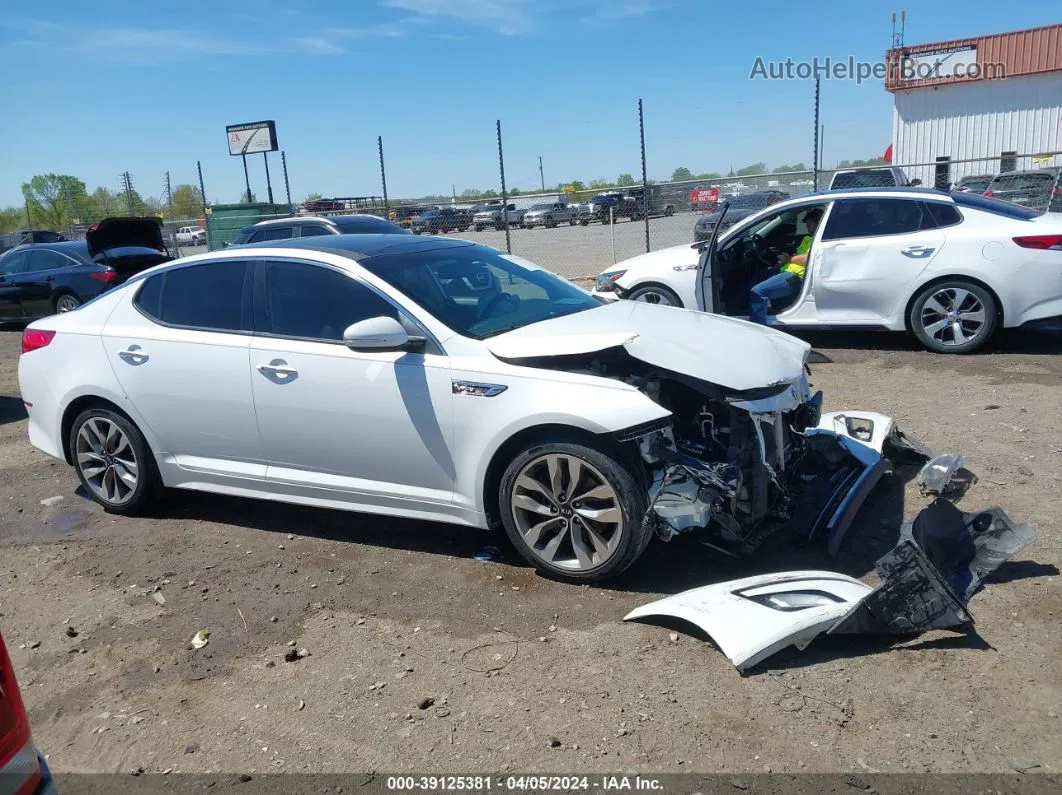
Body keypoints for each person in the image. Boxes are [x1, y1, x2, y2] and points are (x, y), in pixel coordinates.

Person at [748, 207, 824, 325]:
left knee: (758, 292)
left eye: (809, 225)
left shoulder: (818, 240)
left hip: (796, 278)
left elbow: (808, 259)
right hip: (789, 272)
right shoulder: (808, 239)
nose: (808, 229)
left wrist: (789, 259)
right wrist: (785, 262)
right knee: (758, 277)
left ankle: (758, 328)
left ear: (818, 224)